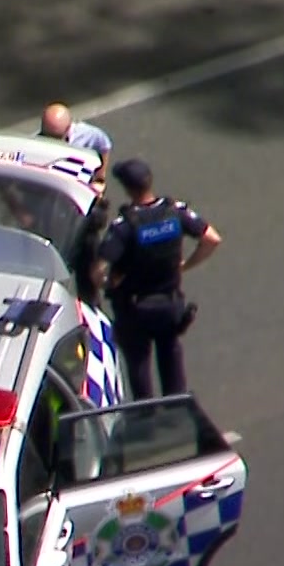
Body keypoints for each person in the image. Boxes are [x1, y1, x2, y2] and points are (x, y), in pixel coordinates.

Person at [89, 159, 222, 398]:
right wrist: (184, 266)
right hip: (169, 303)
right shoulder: (175, 212)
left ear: (127, 189)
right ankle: (176, 412)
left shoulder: (124, 226)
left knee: (139, 366)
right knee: (171, 357)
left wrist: (108, 283)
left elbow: (98, 270)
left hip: (135, 308)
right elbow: (211, 239)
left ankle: (146, 416)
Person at [38, 102, 114, 187]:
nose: (53, 142)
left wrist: (99, 178)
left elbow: (104, 144)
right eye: (48, 136)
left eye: (57, 137)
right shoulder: (35, 142)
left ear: (68, 128)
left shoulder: (88, 134)